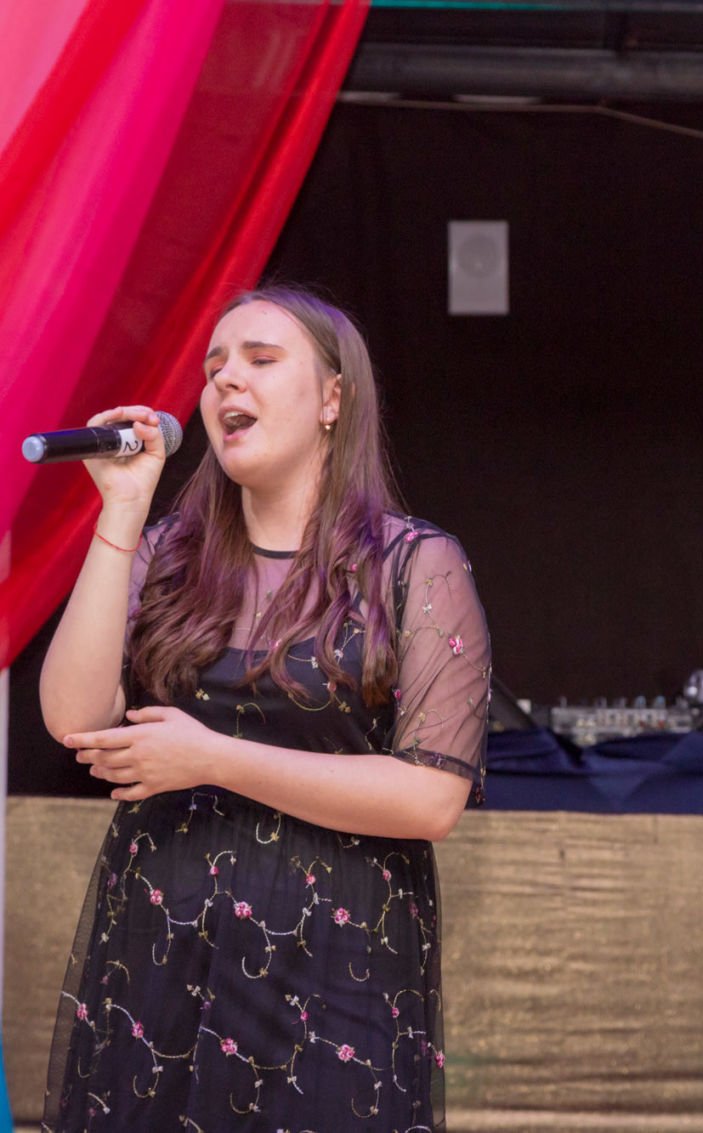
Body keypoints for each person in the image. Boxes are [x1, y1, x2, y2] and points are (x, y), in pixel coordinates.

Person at [39, 286, 492, 1132]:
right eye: (214, 366)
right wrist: (123, 513)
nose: (225, 380)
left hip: (335, 967)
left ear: (332, 399)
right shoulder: (168, 553)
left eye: (260, 359)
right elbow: (73, 716)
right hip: (160, 948)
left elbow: (432, 798)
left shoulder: (414, 566)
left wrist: (214, 759)